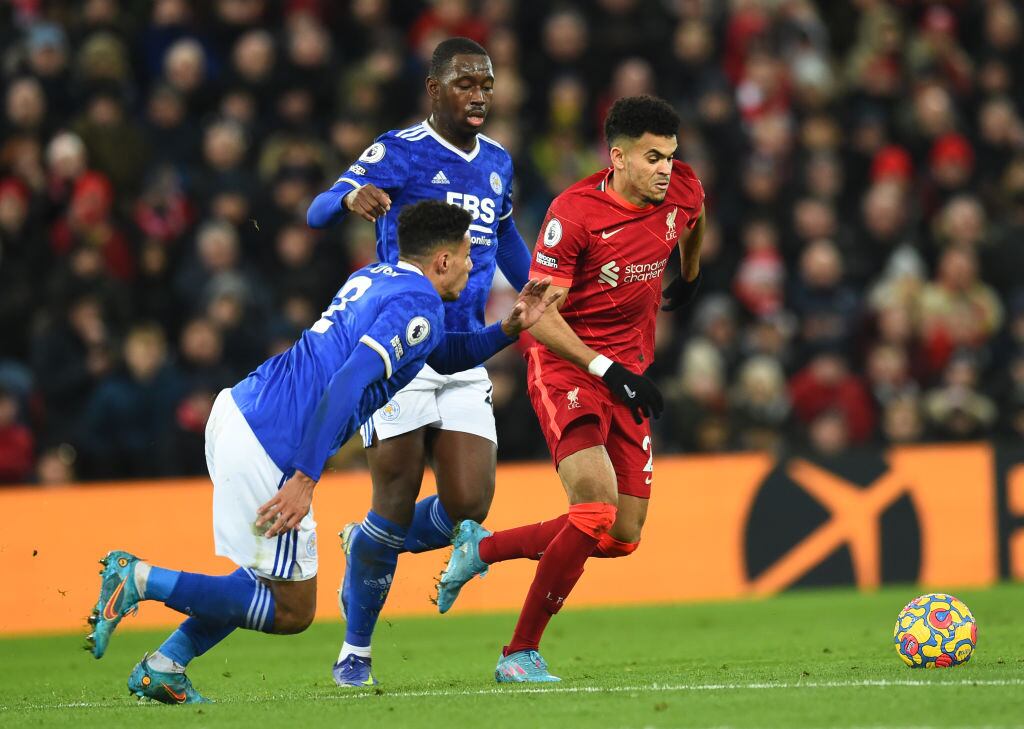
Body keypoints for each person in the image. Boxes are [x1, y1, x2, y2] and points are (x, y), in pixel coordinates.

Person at [86, 201, 556, 703]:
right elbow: (347, 381)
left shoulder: (382, 279)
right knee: (292, 610)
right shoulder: (416, 303)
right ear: (441, 260)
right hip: (274, 442)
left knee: (265, 580)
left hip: (242, 411)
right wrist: (306, 477)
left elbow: (439, 354)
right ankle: (139, 578)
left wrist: (509, 328)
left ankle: (165, 665)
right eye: (467, 255)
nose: (473, 265)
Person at [436, 95, 706, 681]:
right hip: (569, 368)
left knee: (621, 536)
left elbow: (695, 214)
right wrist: (607, 371)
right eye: (653, 157)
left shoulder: (681, 188)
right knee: (592, 508)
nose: (666, 168)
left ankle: (479, 550)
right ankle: (519, 654)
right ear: (618, 158)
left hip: (628, 375)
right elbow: (537, 314)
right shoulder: (575, 214)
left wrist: (688, 273)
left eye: (671, 157)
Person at [306, 37, 534, 686]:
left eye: (487, 83)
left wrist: (533, 285)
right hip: (400, 346)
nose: (480, 95)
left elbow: (507, 234)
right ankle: (356, 649)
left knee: (470, 505)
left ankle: (368, 545)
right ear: (435, 90)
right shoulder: (398, 151)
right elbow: (316, 207)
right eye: (466, 83)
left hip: (463, 352)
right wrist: (347, 199)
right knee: (396, 499)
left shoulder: (497, 162)